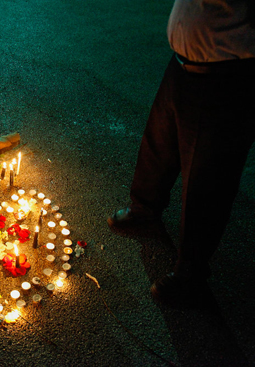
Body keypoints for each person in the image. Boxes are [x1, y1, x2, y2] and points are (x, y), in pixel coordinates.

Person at [108, 0, 255, 304]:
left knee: (207, 178)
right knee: (159, 143)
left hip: (226, 77)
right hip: (182, 63)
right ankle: (145, 209)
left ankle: (191, 272)